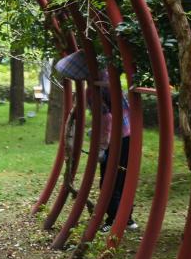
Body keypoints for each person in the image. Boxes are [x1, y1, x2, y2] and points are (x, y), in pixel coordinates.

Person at [54, 51, 137, 232]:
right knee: (123, 178)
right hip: (129, 134)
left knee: (108, 180)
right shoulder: (108, 77)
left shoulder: (93, 90)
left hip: (114, 140)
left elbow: (106, 120)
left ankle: (114, 220)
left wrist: (101, 147)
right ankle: (127, 218)